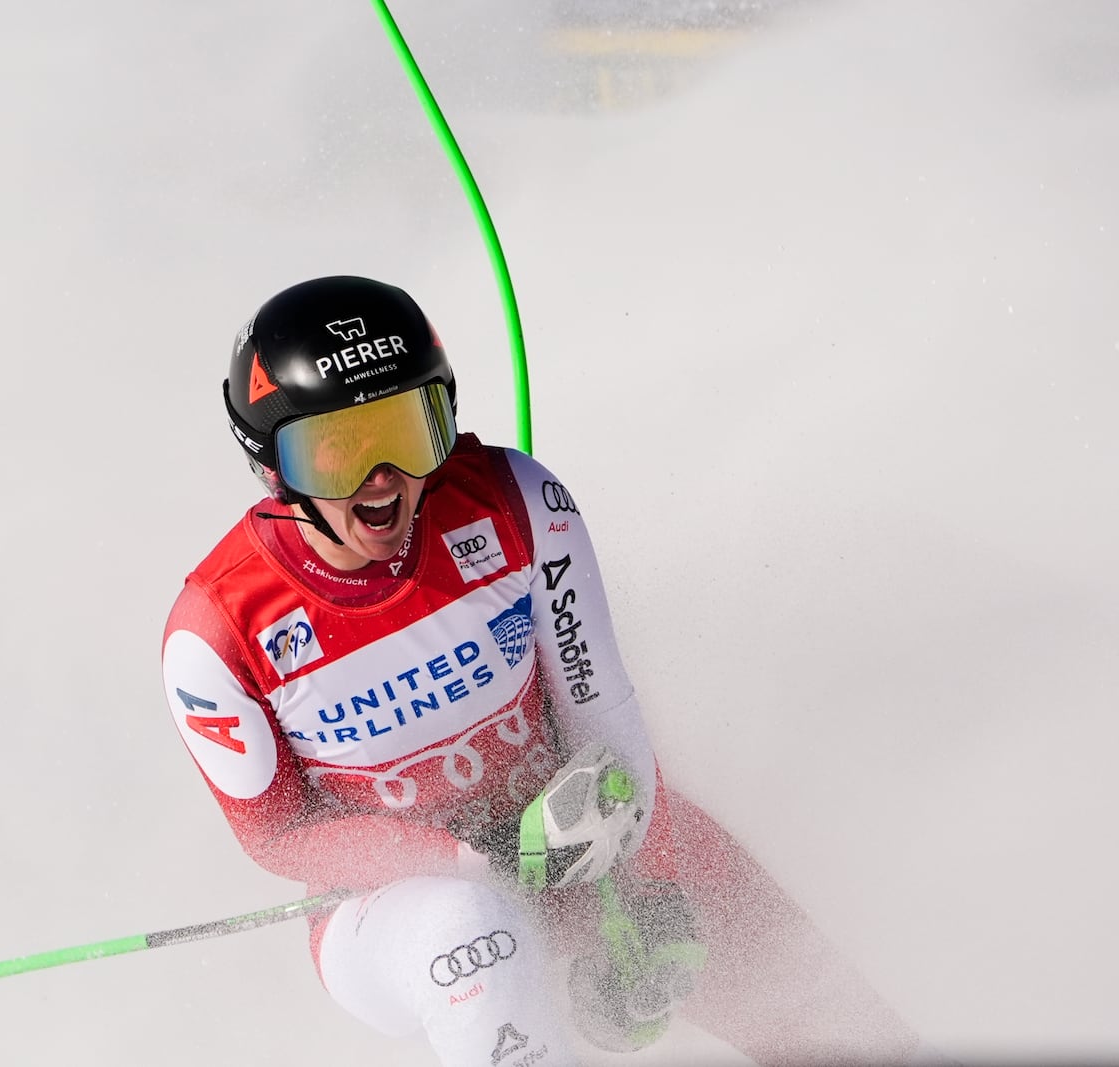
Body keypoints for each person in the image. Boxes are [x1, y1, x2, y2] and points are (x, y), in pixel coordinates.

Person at [160, 275, 935, 1066]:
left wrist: (642, 871)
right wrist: (473, 858)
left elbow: (603, 709)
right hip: (398, 902)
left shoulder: (518, 500)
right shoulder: (216, 633)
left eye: (407, 427)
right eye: (337, 451)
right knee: (476, 930)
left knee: (808, 993)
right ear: (272, 466)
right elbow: (280, 835)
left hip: (580, 829)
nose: (383, 475)